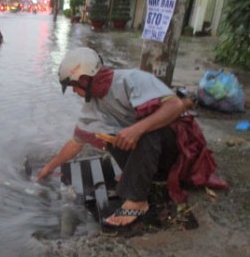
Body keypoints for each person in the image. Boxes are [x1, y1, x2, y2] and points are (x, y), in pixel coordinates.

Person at [36, 47, 226, 227]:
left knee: (144, 130)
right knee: (106, 134)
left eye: (74, 87)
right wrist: (48, 168)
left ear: (85, 79)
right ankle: (137, 176)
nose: (75, 93)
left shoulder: (132, 79)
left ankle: (137, 202)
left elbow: (175, 106)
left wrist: (137, 129)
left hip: (177, 149)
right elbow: (76, 142)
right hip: (155, 158)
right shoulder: (93, 106)